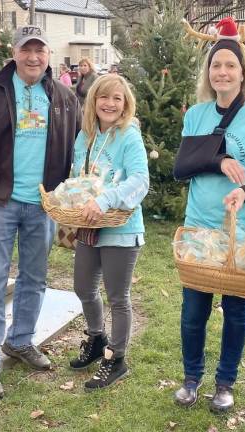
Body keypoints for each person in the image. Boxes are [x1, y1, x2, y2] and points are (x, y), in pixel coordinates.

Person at [0, 25, 81, 401]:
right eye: (27, 50)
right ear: (14, 52)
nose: (34, 57)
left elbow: (78, 145)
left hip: (43, 206)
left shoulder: (62, 97)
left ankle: (20, 340)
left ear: (48, 55)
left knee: (34, 279)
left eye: (40, 50)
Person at [173, 17, 245, 413]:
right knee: (193, 309)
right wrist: (219, 160)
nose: (222, 71)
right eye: (216, 65)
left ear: (244, 72)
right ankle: (191, 378)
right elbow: (181, 168)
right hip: (200, 227)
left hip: (244, 229)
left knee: (236, 310)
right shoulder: (197, 115)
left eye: (231, 65)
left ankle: (225, 383)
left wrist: (244, 189)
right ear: (209, 71)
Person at [67, 74, 149, 390]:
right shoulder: (85, 136)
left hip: (121, 228)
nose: (110, 104)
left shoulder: (129, 135)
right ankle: (96, 336)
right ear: (94, 101)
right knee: (83, 288)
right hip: (89, 228)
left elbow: (140, 180)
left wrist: (105, 198)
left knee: (117, 297)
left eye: (117, 98)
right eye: (104, 97)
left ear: (125, 103)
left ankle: (116, 359)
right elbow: (78, 177)